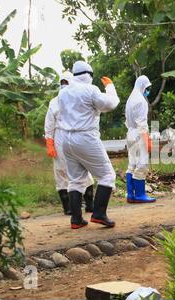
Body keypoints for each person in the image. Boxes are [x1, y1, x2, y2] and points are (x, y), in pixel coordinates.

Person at [57, 61, 120, 229]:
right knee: (107, 176)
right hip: (85, 137)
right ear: (89, 75)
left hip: (66, 140)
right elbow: (110, 104)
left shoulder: (63, 93)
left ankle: (76, 219)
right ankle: (99, 214)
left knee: (76, 180)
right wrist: (110, 88)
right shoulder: (90, 90)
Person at [44, 72, 95, 216]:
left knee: (83, 169)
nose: (64, 85)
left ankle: (90, 204)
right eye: (62, 82)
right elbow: (49, 124)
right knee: (61, 172)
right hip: (59, 137)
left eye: (66, 82)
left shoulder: (79, 98)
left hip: (77, 136)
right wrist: (49, 143)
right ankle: (69, 208)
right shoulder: (54, 102)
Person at [125, 75, 155, 203]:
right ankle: (140, 195)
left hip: (130, 132)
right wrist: (147, 140)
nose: (148, 91)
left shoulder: (130, 98)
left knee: (132, 163)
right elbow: (142, 124)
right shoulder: (141, 101)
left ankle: (130, 195)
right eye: (147, 88)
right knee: (142, 163)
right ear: (143, 86)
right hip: (139, 133)